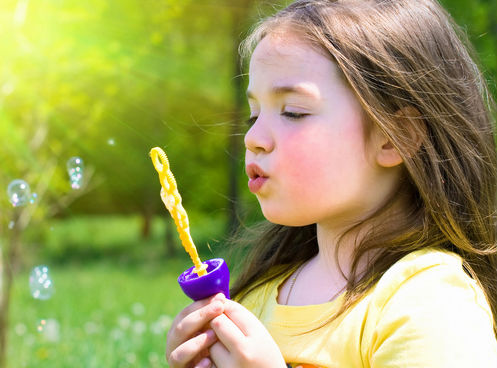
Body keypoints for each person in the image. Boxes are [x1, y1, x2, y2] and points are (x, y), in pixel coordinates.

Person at [166, 0, 497, 367]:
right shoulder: (255, 298)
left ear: (395, 136)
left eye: (293, 112)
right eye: (254, 115)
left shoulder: (429, 303)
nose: (254, 137)